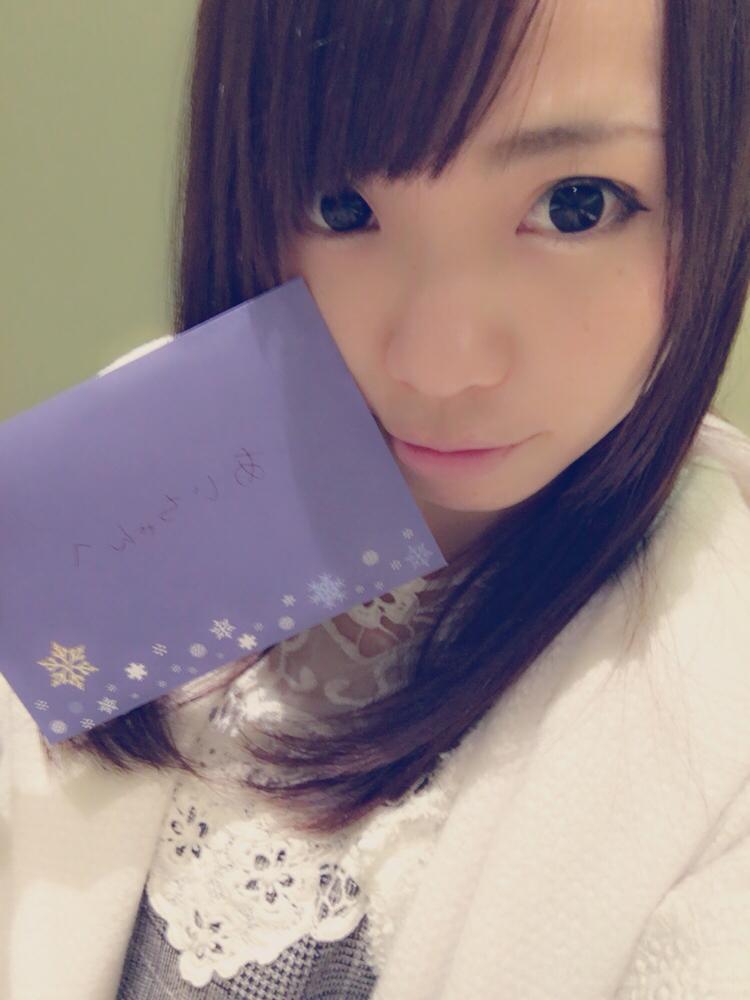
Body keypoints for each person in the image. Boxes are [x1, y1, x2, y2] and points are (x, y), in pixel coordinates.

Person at [2, 0, 750, 997]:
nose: (440, 364)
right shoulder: (148, 459)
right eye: (341, 207)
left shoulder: (723, 694)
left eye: (577, 204)